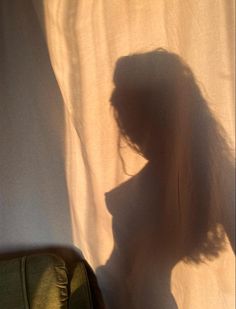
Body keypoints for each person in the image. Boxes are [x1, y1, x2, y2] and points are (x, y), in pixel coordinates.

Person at [97, 49, 235, 309]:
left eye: (139, 130)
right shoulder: (137, 194)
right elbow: (118, 274)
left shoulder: (223, 179)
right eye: (131, 132)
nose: (137, 143)